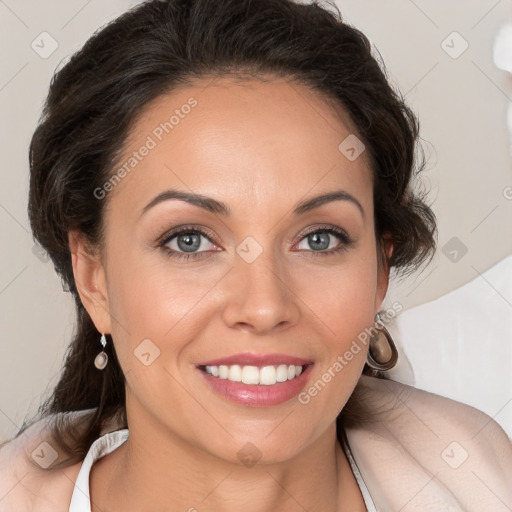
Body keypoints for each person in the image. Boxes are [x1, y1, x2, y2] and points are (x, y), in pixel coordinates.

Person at [1, 0, 511, 510]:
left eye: (318, 239)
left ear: (380, 269)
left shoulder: (486, 481)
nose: (264, 307)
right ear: (94, 277)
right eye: (189, 240)